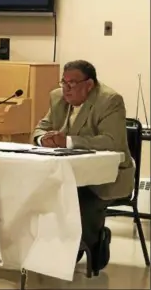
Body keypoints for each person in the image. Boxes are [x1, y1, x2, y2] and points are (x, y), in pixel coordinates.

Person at [32, 60, 135, 271]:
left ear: (89, 85)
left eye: (72, 83)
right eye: (64, 82)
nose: (66, 88)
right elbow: (41, 128)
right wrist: (43, 139)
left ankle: (93, 243)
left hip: (109, 176)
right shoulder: (57, 97)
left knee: (79, 198)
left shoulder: (109, 100)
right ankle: (54, 248)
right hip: (66, 172)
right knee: (42, 192)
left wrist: (68, 141)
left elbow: (112, 141)